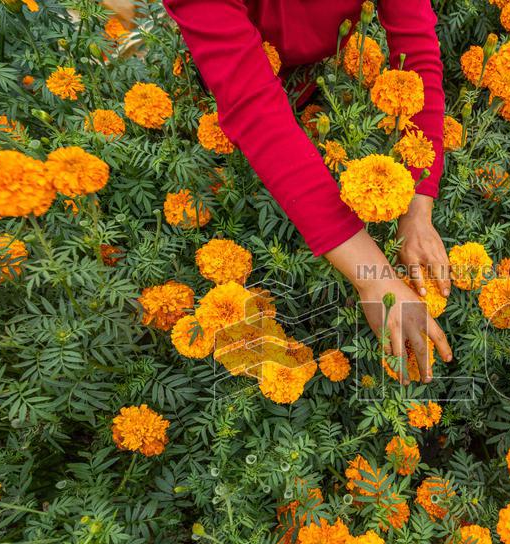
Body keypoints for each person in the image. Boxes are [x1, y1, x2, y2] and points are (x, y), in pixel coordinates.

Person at [162, 0, 453, 384]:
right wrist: (375, 278)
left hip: (324, 77)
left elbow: (415, 49)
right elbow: (255, 111)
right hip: (230, 85)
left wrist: (417, 205)